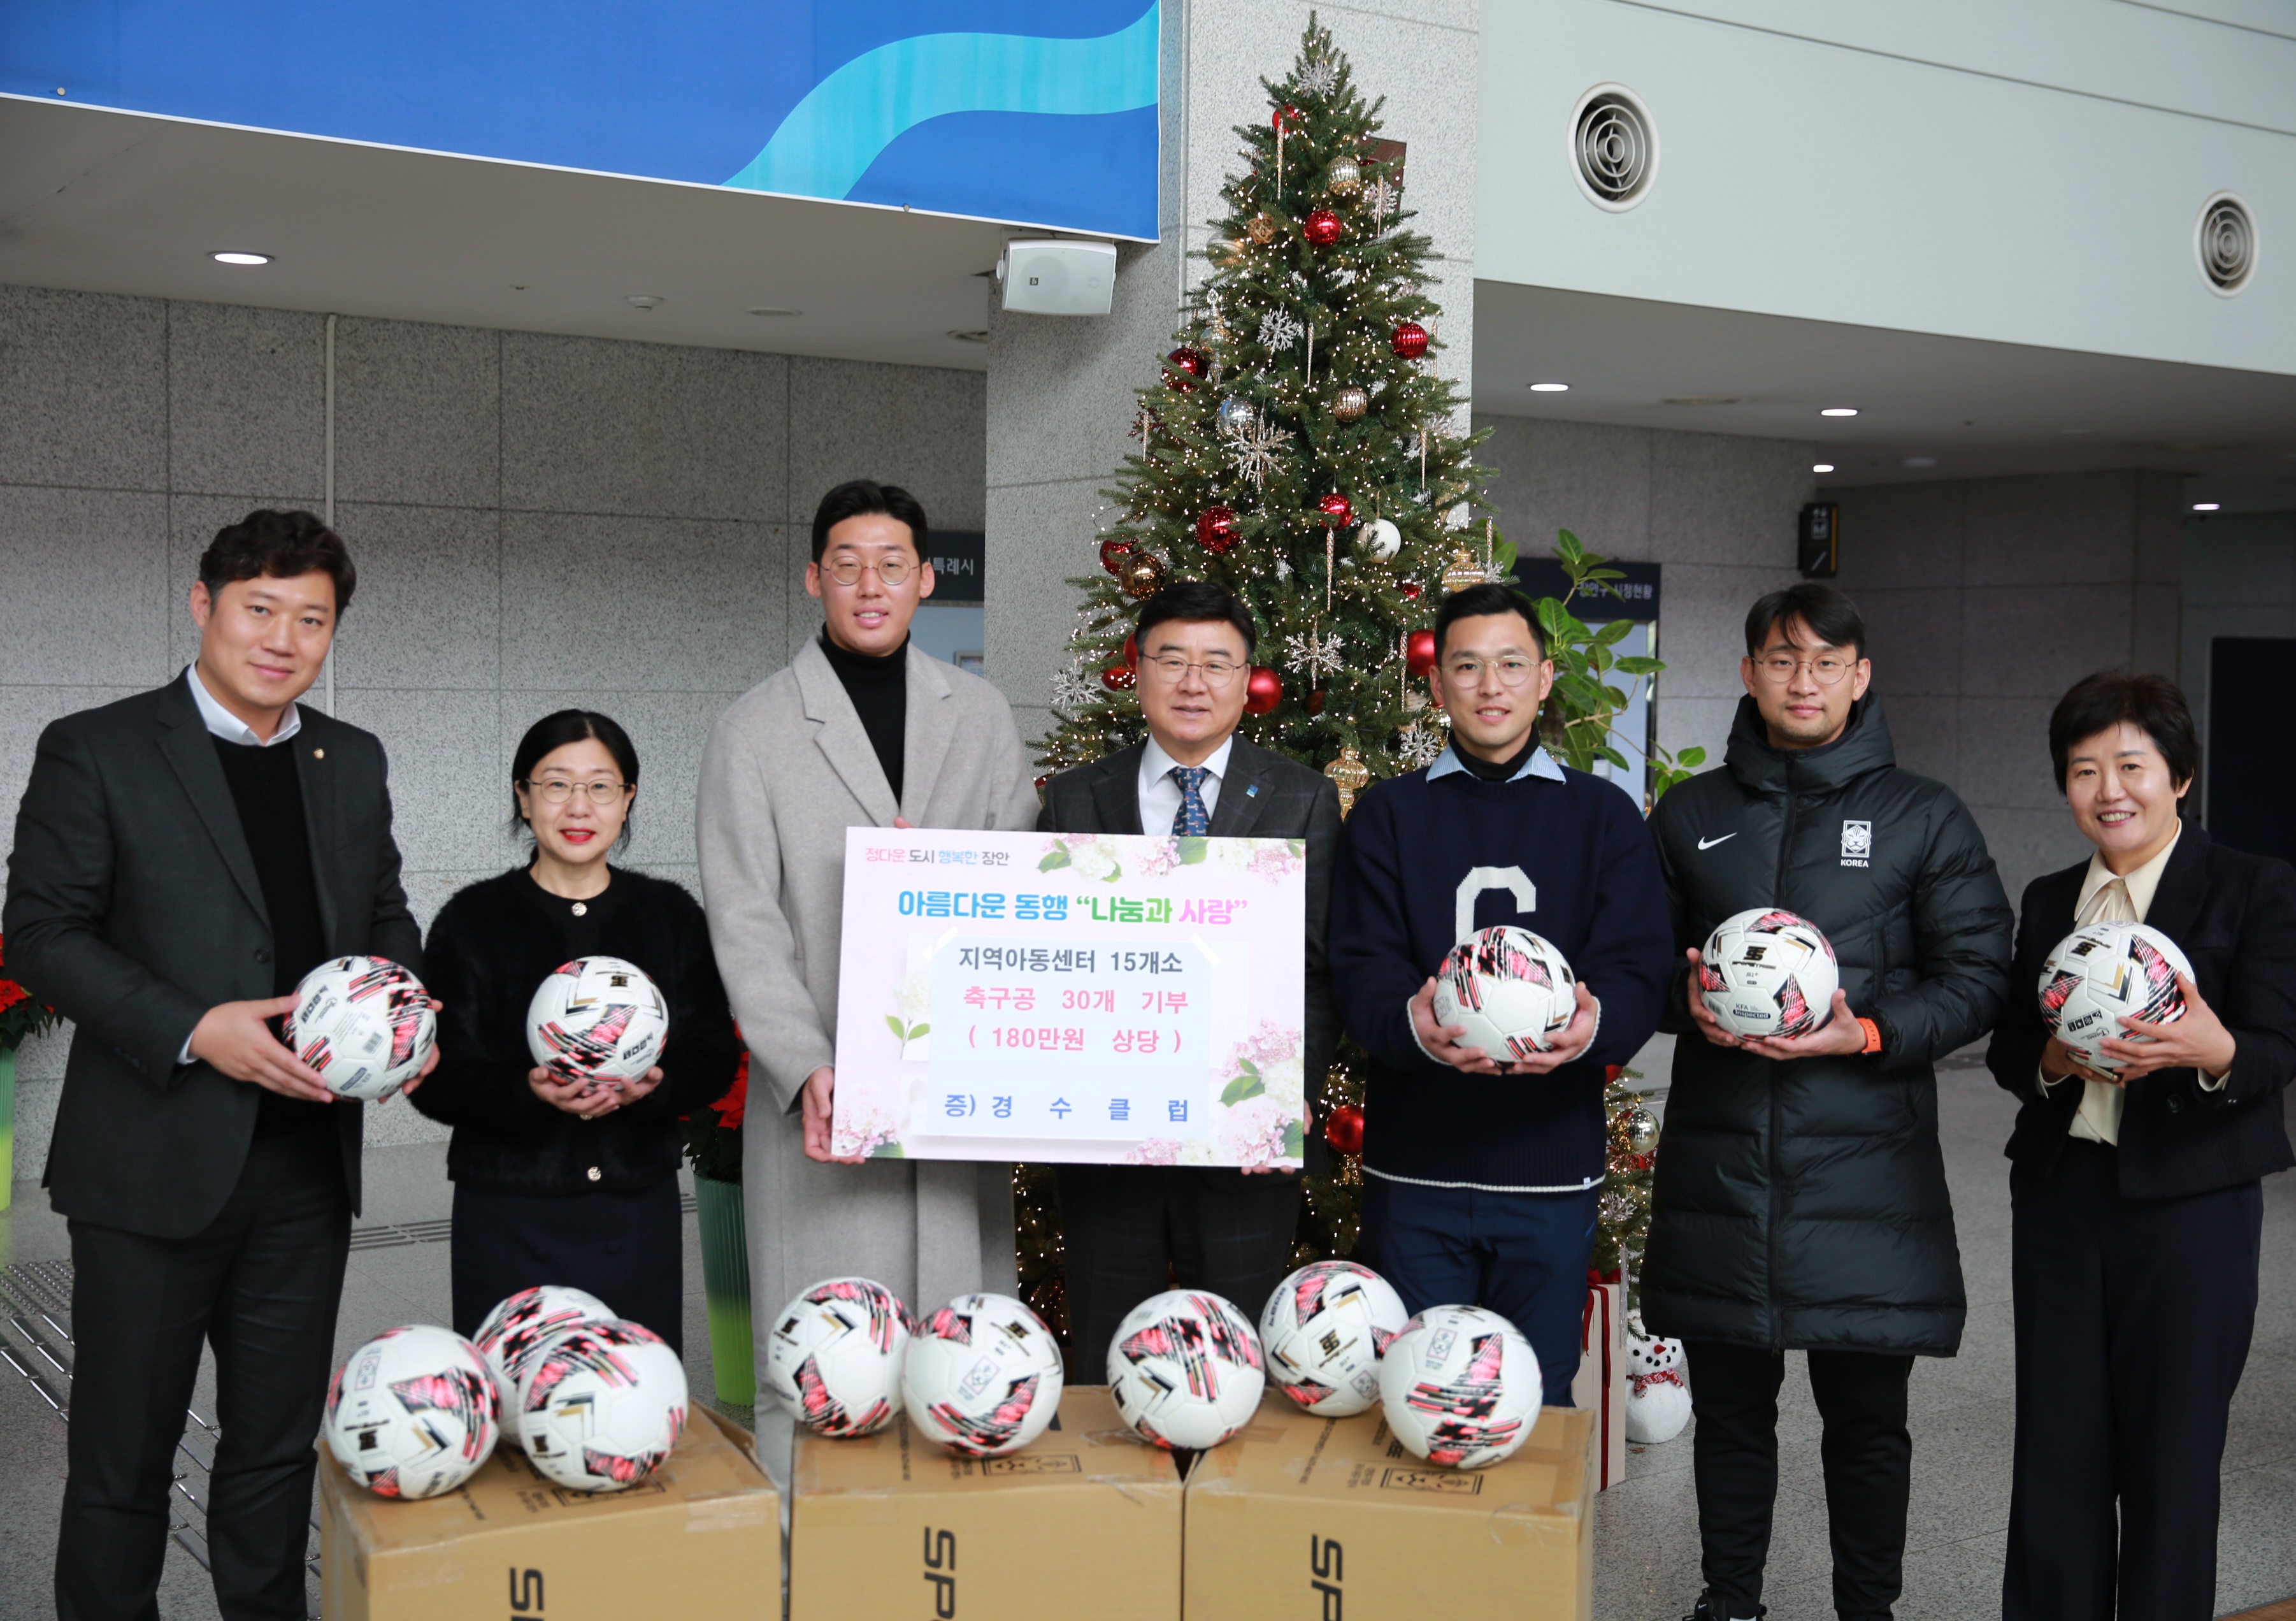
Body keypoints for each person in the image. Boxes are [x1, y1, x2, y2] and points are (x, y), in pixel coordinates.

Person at [4, 510, 432, 1621]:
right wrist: (198, 1025)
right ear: (204, 604)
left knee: (274, 1451)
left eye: (312, 618)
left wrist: (397, 1007)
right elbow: (43, 932)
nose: (283, 637)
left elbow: (386, 914)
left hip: (304, 1168)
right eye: (260, 608)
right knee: (121, 1458)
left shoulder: (353, 759)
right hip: (150, 1166)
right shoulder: (95, 746)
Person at [1643, 582, 2013, 1621]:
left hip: (1865, 1169)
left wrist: (1866, 1028)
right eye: (1777, 657)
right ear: (1749, 671)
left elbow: (1978, 970)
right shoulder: (1691, 812)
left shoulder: (1920, 814)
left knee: (1863, 1420)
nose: (1799, 679)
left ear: (1858, 676)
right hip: (1721, 1165)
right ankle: (1728, 1601)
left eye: (1821, 661)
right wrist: (1689, 1000)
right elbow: (1638, 967)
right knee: (1728, 1413)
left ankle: (1867, 1609)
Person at [695, 479, 1038, 1483]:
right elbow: (745, 921)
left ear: (927, 579)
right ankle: (808, 1567)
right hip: (824, 1095)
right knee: (820, 1362)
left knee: (963, 1355)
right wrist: (806, 1065)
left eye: (893, 564)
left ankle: (947, 1560)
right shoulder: (753, 729)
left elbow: (1019, 871)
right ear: (815, 578)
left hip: (954, 1086)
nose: (870, 583)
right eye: (846, 564)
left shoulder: (977, 714)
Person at [1985, 673, 2295, 1621]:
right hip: (2062, 1203)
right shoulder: (2050, 902)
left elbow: (2281, 1041)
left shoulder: (2252, 886)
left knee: (2173, 1458)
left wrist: (2217, 1054)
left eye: (2131, 766)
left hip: (2191, 1209)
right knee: (2057, 1457)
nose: (2109, 789)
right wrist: (2049, 1058)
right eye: (2085, 770)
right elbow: (2007, 1048)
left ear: (2181, 777)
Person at [1326, 581, 1674, 1392]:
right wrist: (1413, 1028)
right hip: (1416, 1170)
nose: (1491, 687)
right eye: (1468, 667)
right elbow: (1360, 967)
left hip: (1550, 1168)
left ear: (1544, 679)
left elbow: (1637, 966)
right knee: (1419, 1396)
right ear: (1438, 684)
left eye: (1511, 664)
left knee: (1535, 1394)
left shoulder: (1604, 816)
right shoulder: (1387, 814)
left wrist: (1593, 1029)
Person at [1037, 580, 1343, 1367]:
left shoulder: (1302, 799)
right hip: (1108, 1138)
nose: (1192, 682)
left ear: (1248, 681)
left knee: (1231, 1355)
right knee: (1109, 1354)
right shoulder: (1075, 798)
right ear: (1137, 672)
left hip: (1241, 1137)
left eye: (1216, 663)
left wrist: (1292, 1093)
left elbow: (1313, 967)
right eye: (1171, 660)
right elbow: (1052, 962)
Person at [412, 710, 740, 1356]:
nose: (578, 805)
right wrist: (526, 1091)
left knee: (630, 1420)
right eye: (556, 784)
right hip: (506, 1213)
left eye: (601, 786)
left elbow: (714, 1052)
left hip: (632, 1210)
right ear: (523, 796)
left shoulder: (669, 916)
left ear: (628, 800)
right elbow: (437, 1077)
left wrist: (655, 1085)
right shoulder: (472, 919)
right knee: (511, 1422)